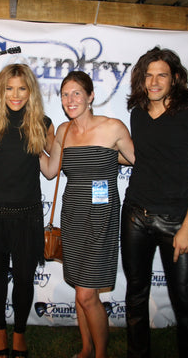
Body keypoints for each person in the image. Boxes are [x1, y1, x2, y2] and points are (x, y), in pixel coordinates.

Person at [121, 47, 188, 358]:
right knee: (135, 296)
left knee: (185, 304)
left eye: (161, 74)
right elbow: (144, 158)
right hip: (135, 216)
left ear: (174, 78)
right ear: (141, 80)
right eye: (148, 75)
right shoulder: (137, 113)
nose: (154, 81)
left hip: (177, 221)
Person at [42, 71, 134, 358]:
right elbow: (50, 171)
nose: (70, 99)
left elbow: (138, 160)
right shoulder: (63, 131)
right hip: (73, 216)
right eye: (65, 94)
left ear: (91, 96)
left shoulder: (113, 127)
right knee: (82, 290)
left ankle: (100, 354)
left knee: (85, 293)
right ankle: (85, 349)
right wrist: (31, 144)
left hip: (102, 218)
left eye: (77, 93)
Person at [0, 64, 55, 358]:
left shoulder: (43, 124)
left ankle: (19, 333)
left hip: (28, 213)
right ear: (1, 90)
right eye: (9, 88)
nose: (16, 95)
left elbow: (50, 166)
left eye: (22, 88)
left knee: (23, 277)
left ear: (30, 91)